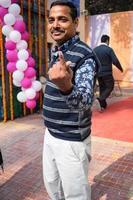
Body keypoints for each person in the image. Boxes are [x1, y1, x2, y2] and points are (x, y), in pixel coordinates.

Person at [42, 1, 99, 199]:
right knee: (52, 185)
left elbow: (84, 101)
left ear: (75, 23)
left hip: (71, 139)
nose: (55, 25)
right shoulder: (56, 50)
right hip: (50, 133)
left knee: (76, 194)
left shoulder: (85, 56)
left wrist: (66, 87)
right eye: (51, 20)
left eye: (62, 19)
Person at [93, 34, 123, 111]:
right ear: (107, 41)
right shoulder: (109, 49)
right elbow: (115, 61)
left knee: (102, 88)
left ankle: (103, 106)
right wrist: (120, 68)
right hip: (107, 73)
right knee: (110, 86)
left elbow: (92, 61)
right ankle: (101, 98)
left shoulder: (95, 50)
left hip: (98, 73)